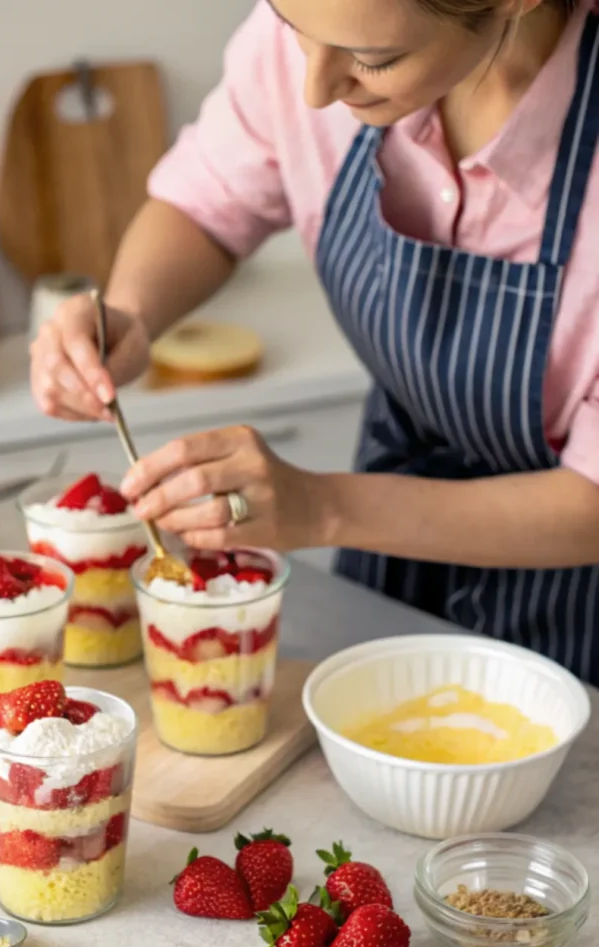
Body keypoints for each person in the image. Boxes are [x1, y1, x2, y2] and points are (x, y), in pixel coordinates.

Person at [30, 0, 599, 684]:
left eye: (374, 60)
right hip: (387, 552)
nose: (313, 90)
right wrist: (128, 310)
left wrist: (322, 508)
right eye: (291, 28)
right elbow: (206, 206)